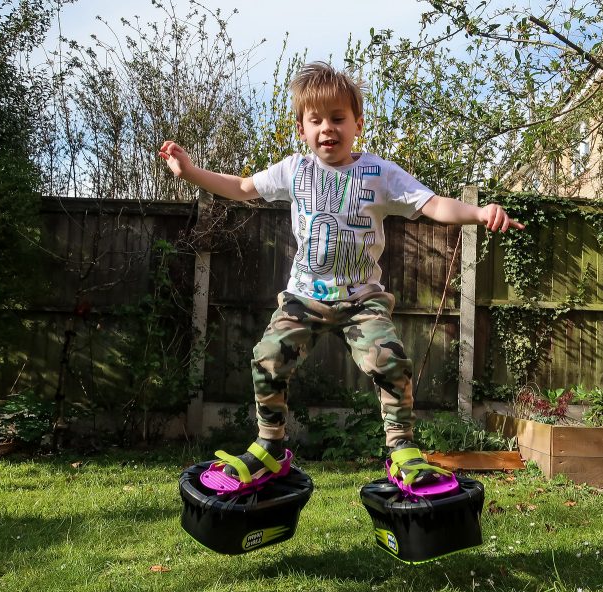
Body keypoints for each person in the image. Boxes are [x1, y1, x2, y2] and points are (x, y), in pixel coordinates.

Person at [159, 61, 523, 493]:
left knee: (389, 359)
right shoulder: (294, 170)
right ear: (302, 128)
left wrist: (479, 213)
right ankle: (270, 446)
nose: (327, 128)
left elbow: (432, 205)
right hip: (303, 298)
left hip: (362, 299)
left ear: (357, 124)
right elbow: (241, 188)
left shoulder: (379, 174)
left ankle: (402, 448)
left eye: (337, 118)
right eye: (316, 120)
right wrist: (190, 172)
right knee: (267, 356)